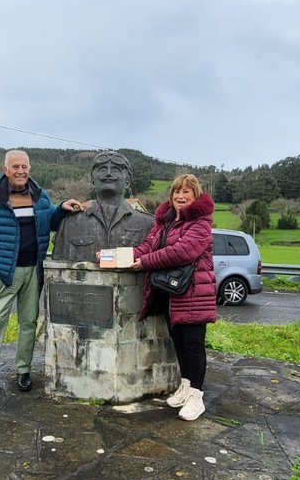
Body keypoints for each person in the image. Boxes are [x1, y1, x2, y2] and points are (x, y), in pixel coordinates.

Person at [0, 150, 82, 400]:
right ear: (5, 169)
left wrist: (61, 209)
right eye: (15, 166)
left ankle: (23, 370)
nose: (20, 171)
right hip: (6, 272)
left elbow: (50, 222)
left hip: (34, 270)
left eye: (24, 166)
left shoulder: (39, 196)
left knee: (28, 322)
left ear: (29, 169)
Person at [127, 174, 216, 421]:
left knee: (193, 344)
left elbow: (182, 252)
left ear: (195, 195)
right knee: (178, 341)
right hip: (170, 292)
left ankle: (196, 396)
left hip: (194, 292)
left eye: (187, 191)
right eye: (177, 191)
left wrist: (146, 261)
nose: (181, 196)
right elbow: (147, 246)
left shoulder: (201, 223)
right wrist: (116, 256)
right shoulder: (164, 222)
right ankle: (186, 386)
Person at [51, 149, 153, 261]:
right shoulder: (69, 223)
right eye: (102, 169)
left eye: (116, 170)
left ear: (127, 182)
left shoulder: (149, 224)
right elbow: (56, 266)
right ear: (93, 181)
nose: (108, 173)